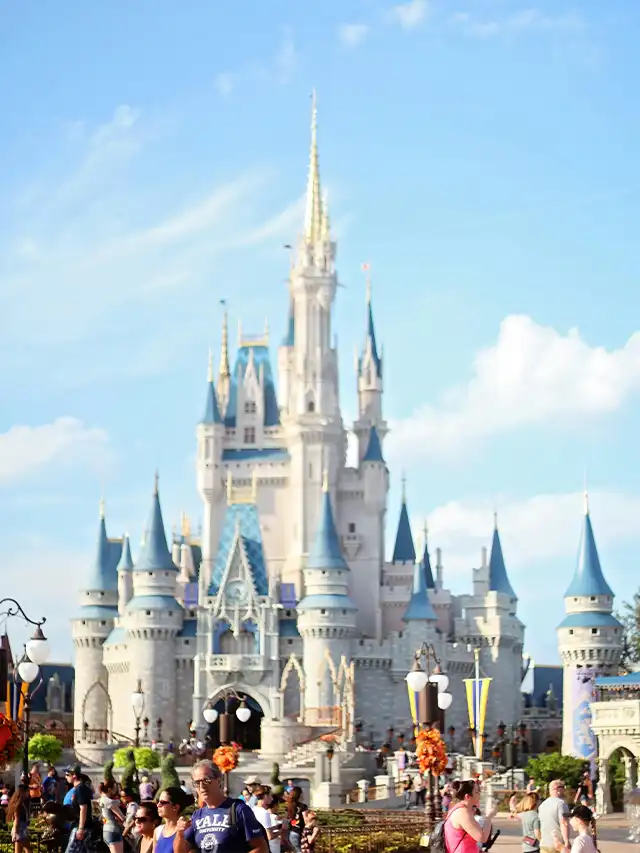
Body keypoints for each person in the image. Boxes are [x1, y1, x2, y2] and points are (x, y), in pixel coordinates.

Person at [174, 759, 268, 853]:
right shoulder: (197, 815)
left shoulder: (238, 810)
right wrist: (180, 833)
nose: (201, 786)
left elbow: (261, 848)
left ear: (218, 780)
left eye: (206, 780)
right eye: (197, 783)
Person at [443, 779, 496, 853]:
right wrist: (489, 817)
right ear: (468, 796)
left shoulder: (459, 808)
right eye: (477, 792)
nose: (479, 794)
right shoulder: (462, 812)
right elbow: (482, 838)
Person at [65, 765, 94, 853]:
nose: (65, 777)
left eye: (67, 775)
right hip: (82, 826)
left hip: (81, 827)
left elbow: (83, 808)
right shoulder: (80, 788)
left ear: (74, 776)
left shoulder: (80, 789)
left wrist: (81, 828)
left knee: (70, 851)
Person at [156, 787, 193, 853]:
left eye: (162, 802)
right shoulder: (158, 831)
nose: (158, 805)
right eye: (158, 801)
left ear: (175, 807)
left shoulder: (186, 831)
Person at [539, 780, 570, 853]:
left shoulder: (542, 805)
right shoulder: (561, 804)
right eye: (563, 787)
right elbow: (564, 823)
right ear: (558, 789)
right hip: (557, 845)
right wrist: (566, 841)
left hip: (544, 844)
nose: (564, 790)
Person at [99, 780, 126, 853]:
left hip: (106, 830)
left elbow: (103, 817)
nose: (116, 790)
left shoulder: (101, 800)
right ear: (109, 789)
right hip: (114, 831)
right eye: (115, 788)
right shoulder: (109, 802)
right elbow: (122, 818)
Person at [7, 784, 31, 853]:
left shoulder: (20, 803)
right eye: (27, 791)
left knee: (19, 851)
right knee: (28, 849)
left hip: (19, 829)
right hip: (20, 829)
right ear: (23, 792)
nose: (28, 793)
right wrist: (16, 832)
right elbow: (16, 819)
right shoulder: (19, 805)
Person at [284, 787, 306, 853]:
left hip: (290, 832)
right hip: (299, 832)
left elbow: (286, 819)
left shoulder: (289, 806)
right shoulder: (303, 806)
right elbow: (306, 819)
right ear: (300, 795)